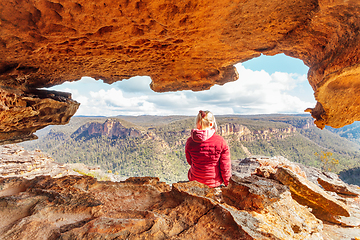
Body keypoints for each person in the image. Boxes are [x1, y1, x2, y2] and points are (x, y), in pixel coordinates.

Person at [185, 110, 231, 188]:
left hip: (195, 181)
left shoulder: (190, 141)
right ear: (211, 124)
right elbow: (225, 167)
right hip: (214, 183)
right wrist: (228, 185)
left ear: (197, 123)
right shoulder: (221, 141)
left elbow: (189, 161)